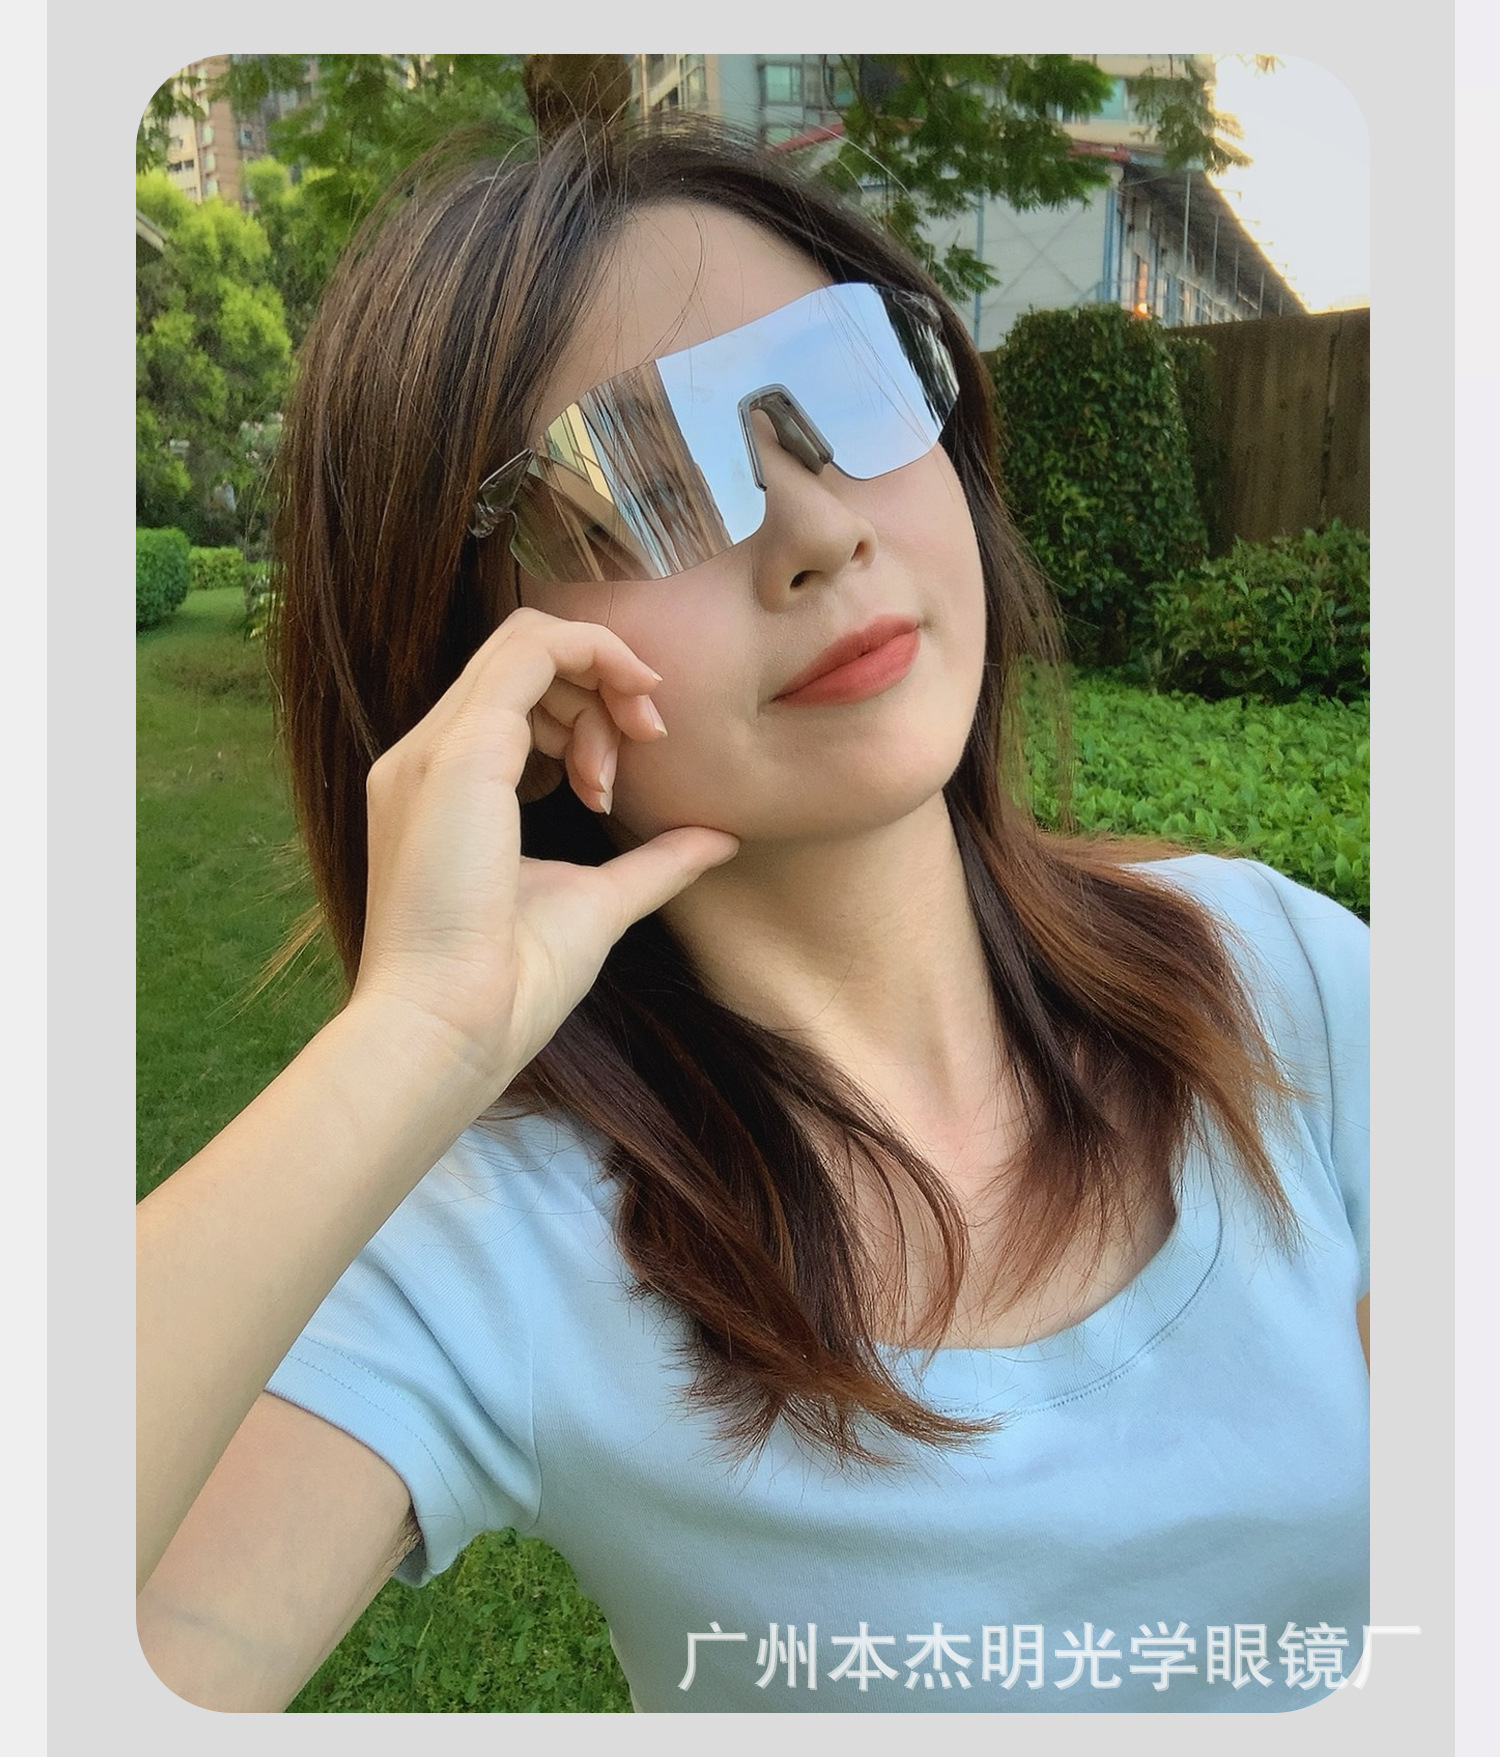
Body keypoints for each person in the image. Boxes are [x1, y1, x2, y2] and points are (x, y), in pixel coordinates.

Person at [136, 118, 1370, 1715]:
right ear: (477, 653)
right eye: (643, 485)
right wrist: (411, 1038)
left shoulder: (1280, 975)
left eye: (845, 390)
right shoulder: (498, 1246)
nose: (818, 532)